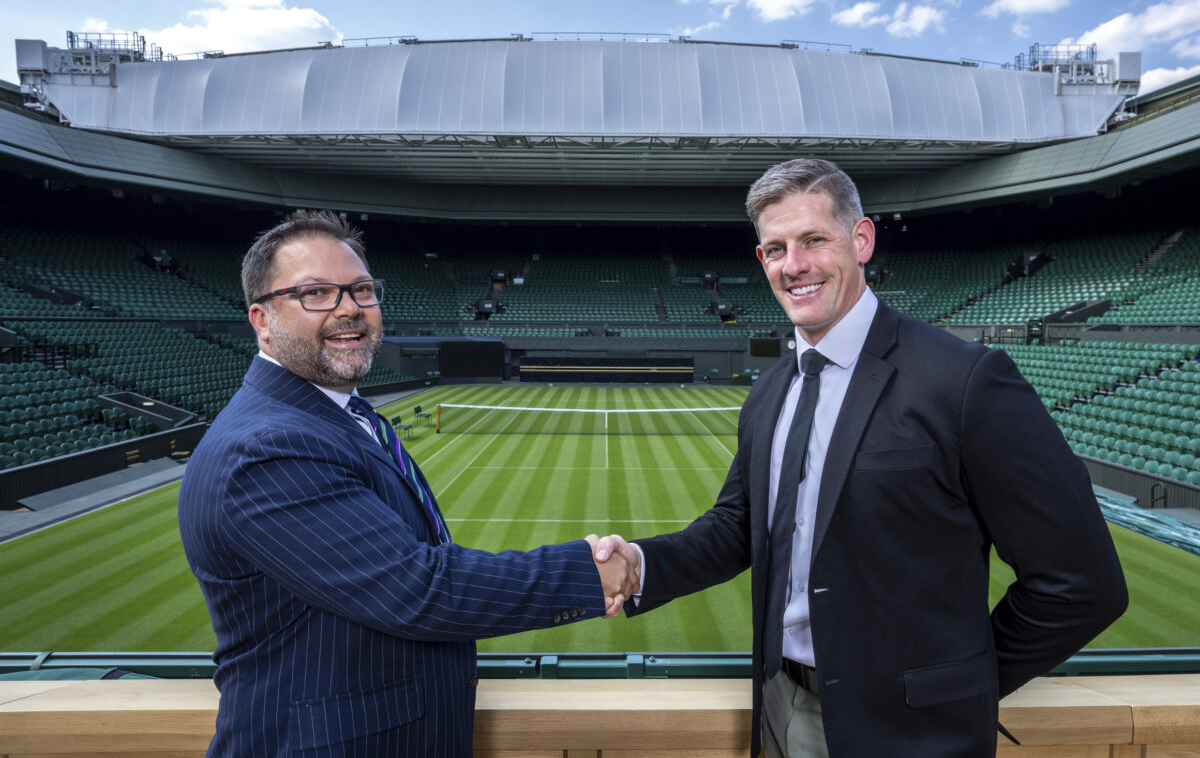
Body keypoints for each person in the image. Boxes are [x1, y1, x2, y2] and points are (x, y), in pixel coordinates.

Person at [596, 158, 1127, 757]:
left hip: (909, 733)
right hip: (776, 707)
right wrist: (640, 565)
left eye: (813, 240)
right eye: (775, 249)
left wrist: (952, 689)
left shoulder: (964, 381)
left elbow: (1082, 584)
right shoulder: (771, 390)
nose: (793, 265)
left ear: (862, 239)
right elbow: (740, 527)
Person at [178, 211, 638, 757]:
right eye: (317, 293)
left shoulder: (343, 415)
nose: (349, 307)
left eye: (361, 290)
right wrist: (588, 572)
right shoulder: (268, 447)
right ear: (262, 318)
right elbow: (417, 588)